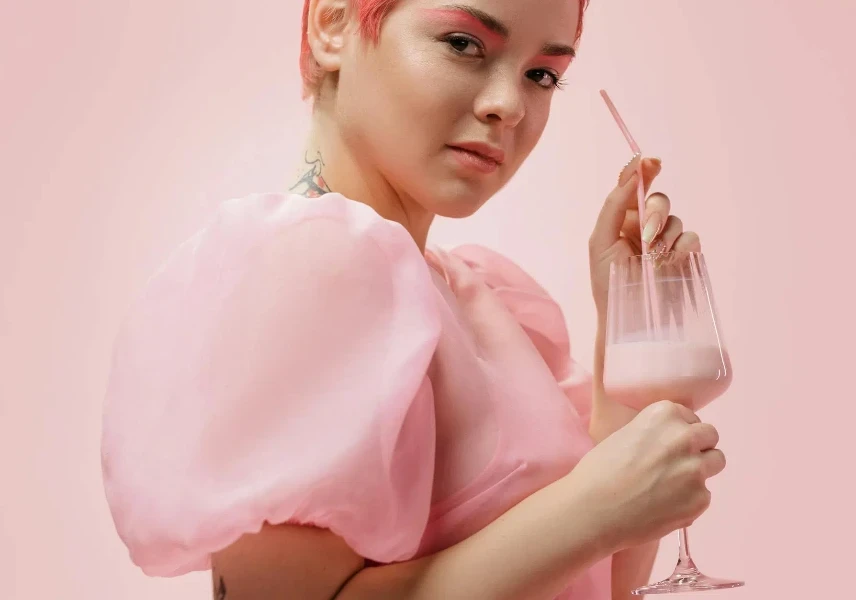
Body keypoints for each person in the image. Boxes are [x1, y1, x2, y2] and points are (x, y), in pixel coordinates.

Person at [100, 0, 723, 598]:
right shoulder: (311, 266)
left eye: (542, 74)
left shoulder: (485, 299)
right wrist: (594, 508)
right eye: (463, 43)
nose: (509, 105)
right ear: (334, 24)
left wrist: (623, 329)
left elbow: (594, 587)